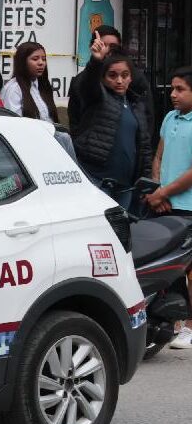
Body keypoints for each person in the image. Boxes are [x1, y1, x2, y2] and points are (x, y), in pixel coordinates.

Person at [71, 32, 152, 208]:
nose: (119, 81)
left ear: (131, 77)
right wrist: (95, 62)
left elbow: (144, 148)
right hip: (97, 181)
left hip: (125, 186)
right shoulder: (97, 97)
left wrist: (146, 184)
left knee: (122, 233)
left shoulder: (135, 105)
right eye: (112, 75)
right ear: (103, 78)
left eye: (125, 75)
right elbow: (88, 84)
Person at [144, 67, 192, 349]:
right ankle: (175, 320)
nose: (173, 94)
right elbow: (158, 156)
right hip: (165, 205)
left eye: (180, 89)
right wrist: (157, 191)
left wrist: (164, 191)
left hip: (187, 205)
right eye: (172, 88)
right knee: (172, 267)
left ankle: (190, 325)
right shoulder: (169, 118)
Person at [69, 24, 154, 134]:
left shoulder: (135, 77)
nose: (107, 50)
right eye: (102, 45)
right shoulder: (82, 80)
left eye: (112, 46)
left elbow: (147, 117)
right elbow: (75, 119)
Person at [0, 42, 57, 121]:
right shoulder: (14, 89)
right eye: (35, 59)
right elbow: (14, 123)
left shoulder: (42, 85)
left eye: (44, 59)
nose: (41, 63)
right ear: (22, 62)